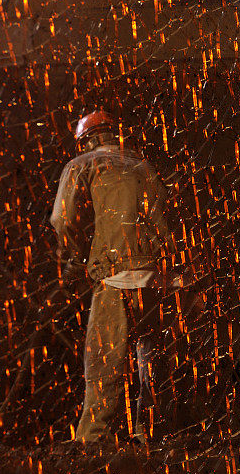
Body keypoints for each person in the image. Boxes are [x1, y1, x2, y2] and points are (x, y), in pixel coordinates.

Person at [50, 110, 180, 444]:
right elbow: (163, 215)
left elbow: (63, 220)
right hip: (154, 276)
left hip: (114, 273)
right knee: (150, 358)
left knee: (103, 359)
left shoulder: (82, 165)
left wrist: (71, 264)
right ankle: (151, 435)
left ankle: (92, 438)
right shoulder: (140, 164)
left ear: (85, 140)